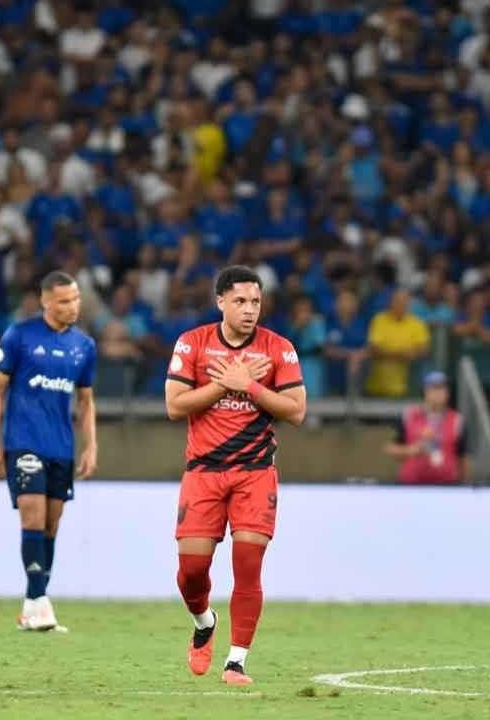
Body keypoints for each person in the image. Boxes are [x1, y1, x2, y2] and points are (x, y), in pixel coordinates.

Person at [165, 265, 307, 686]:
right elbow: (175, 406)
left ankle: (236, 662)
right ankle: (204, 621)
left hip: (255, 472)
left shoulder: (279, 349)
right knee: (191, 571)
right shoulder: (192, 343)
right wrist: (228, 386)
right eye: (241, 301)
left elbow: (297, 411)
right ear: (221, 302)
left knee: (248, 565)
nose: (249, 310)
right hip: (204, 472)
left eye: (256, 302)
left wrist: (253, 387)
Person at [0, 270, 98, 632]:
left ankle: (32, 606)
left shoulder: (84, 346)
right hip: (24, 441)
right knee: (32, 517)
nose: (72, 306)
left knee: (51, 524)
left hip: (61, 446)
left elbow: (86, 400)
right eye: (64, 300)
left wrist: (91, 445)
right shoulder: (20, 336)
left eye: (76, 298)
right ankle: (40, 602)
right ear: (46, 301)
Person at [383, 370, 468, 484]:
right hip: (412, 485)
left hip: (446, 487)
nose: (438, 393)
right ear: (425, 391)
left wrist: (462, 485)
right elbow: (390, 448)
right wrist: (412, 450)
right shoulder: (409, 416)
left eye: (442, 388)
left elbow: (462, 458)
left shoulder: (457, 420)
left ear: (448, 393)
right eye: (434, 388)